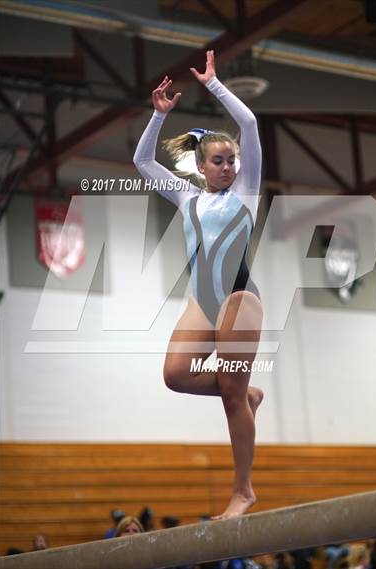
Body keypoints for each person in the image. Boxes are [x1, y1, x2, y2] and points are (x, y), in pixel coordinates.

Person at [133, 50, 263, 520]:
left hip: (239, 297)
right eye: (219, 161)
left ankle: (243, 490)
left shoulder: (246, 191)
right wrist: (157, 115)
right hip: (202, 300)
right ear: (201, 167)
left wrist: (214, 86)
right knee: (175, 375)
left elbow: (248, 124)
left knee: (230, 397)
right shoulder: (185, 196)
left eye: (232, 161)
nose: (228, 167)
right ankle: (245, 392)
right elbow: (142, 160)